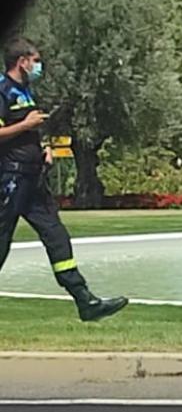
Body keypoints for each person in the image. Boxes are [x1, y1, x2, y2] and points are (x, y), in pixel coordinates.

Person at [1, 37, 128, 321]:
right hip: (10, 181)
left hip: (34, 182)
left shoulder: (25, 92)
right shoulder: (3, 90)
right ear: (22, 61)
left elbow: (26, 135)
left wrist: (42, 149)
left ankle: (85, 301)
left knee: (57, 238)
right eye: (35, 60)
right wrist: (25, 125)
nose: (38, 66)